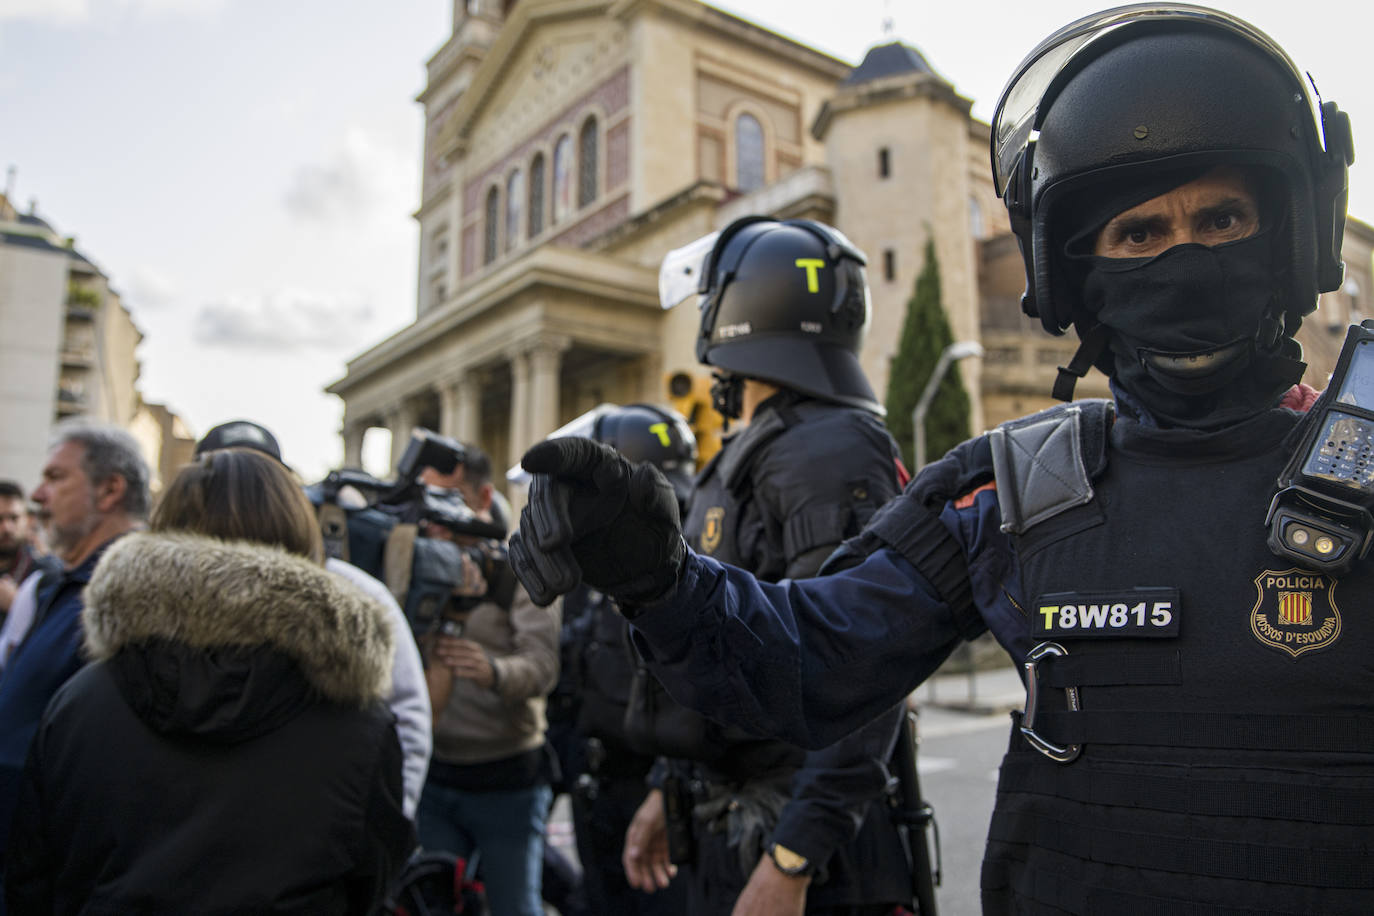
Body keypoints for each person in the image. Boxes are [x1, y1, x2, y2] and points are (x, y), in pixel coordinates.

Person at [508, 5, 1369, 913]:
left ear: (1293, 232)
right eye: (1139, 234)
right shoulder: (1013, 489)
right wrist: (663, 580)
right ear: (1075, 270)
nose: (1182, 257)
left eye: (1222, 218)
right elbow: (810, 662)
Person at [627, 218, 915, 915]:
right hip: (736, 816)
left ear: (734, 311)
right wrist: (671, 785)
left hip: (806, 852)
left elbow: (863, 665)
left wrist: (794, 855)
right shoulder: (753, 452)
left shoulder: (826, 450)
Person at [5, 448, 414, 913]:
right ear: (302, 539)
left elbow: (33, 877)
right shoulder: (358, 722)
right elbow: (373, 879)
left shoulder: (79, 702)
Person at [194, 419, 433, 819]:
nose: (241, 496)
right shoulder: (166, 594)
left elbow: (406, 715)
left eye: (262, 479)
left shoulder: (358, 594)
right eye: (222, 479)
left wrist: (386, 830)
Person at [538, 404, 695, 915]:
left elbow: (700, 681)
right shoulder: (604, 537)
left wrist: (666, 784)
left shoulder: (677, 538)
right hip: (601, 777)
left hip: (654, 787)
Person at [417, 442, 561, 916]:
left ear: (480, 498)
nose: (434, 517)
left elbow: (541, 666)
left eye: (447, 501)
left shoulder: (520, 565)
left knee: (513, 906)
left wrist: (492, 672)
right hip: (434, 777)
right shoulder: (415, 563)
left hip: (507, 781)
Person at [0, 421, 149, 862]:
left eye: (55, 478)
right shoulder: (58, 586)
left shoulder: (132, 595)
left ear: (109, 491)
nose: (38, 496)